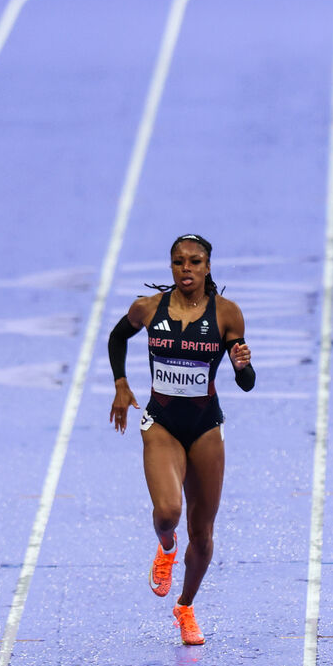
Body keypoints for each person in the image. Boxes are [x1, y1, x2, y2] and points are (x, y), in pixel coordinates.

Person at [108, 234, 256, 644]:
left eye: (194, 261)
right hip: (162, 423)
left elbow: (246, 383)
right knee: (168, 513)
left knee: (204, 533)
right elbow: (117, 337)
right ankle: (166, 548)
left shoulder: (227, 314)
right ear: (171, 266)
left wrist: (243, 365)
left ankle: (186, 606)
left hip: (206, 426)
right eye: (178, 262)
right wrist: (121, 384)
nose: (185, 268)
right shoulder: (148, 308)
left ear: (208, 266)